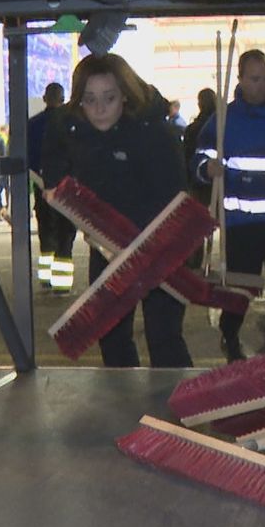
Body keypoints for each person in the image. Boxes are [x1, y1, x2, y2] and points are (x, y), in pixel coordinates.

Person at [40, 54, 193, 368]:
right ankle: (124, 405)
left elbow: (173, 200)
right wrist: (54, 185)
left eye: (108, 98)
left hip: (163, 245)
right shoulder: (75, 129)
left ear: (124, 94)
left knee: (163, 336)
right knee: (110, 334)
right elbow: (53, 152)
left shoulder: (154, 135)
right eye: (89, 99)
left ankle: (177, 410)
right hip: (107, 244)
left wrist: (140, 249)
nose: (98, 109)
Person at [193, 49, 265, 361]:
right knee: (238, 288)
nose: (261, 85)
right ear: (240, 80)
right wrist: (207, 168)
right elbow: (201, 156)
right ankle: (230, 338)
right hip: (241, 222)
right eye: (254, 79)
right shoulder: (223, 119)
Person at [27, 82, 77, 294]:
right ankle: (61, 284)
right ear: (63, 98)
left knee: (46, 229)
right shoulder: (71, 123)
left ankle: (46, 279)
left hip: (41, 185)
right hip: (67, 187)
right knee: (66, 232)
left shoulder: (32, 124)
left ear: (45, 98)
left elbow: (26, 157)